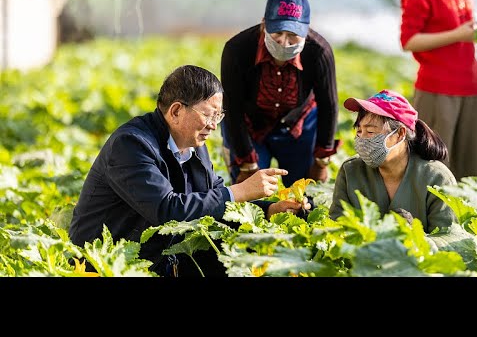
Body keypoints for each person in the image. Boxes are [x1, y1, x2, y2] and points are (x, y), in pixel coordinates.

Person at [69, 65, 308, 277]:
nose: (214, 125)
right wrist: (241, 191)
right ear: (175, 111)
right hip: (105, 267)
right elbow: (167, 210)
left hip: (161, 261)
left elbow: (212, 202)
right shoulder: (131, 144)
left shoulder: (194, 146)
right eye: (208, 114)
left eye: (219, 115)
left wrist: (268, 210)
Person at [220, 0, 340, 188]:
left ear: (306, 30)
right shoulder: (237, 50)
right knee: (250, 190)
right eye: (278, 32)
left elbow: (329, 105)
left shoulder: (319, 52)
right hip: (250, 125)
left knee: (304, 191)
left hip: (298, 125)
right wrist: (246, 160)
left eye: (293, 35)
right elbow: (232, 107)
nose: (284, 42)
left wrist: (321, 159)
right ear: (264, 25)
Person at [399, 0, 477, 181]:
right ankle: (425, 220)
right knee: (433, 167)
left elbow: (462, 34)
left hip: (471, 86)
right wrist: (457, 34)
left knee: (469, 164)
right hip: (438, 89)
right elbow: (409, 40)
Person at [329, 89, 457, 233]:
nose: (362, 139)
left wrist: (414, 238)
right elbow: (336, 228)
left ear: (400, 134)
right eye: (359, 132)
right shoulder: (350, 171)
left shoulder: (437, 178)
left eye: (370, 132)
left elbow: (449, 238)